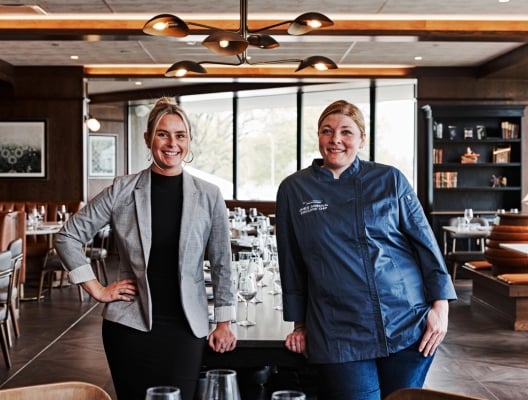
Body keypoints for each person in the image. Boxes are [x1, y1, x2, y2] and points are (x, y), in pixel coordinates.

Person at [54, 97, 237, 400]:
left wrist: (224, 321)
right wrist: (97, 289)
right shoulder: (122, 190)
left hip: (186, 329)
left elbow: (221, 263)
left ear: (188, 141)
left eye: (180, 135)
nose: (171, 143)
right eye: (162, 134)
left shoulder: (209, 195)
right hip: (129, 327)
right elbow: (67, 237)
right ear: (148, 139)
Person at [275, 100, 457, 400]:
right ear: (318, 136)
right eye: (327, 131)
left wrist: (441, 307)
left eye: (346, 131)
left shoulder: (390, 179)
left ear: (362, 139)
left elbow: (425, 243)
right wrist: (300, 323)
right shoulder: (294, 189)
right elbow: (291, 260)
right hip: (337, 330)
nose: (335, 139)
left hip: (406, 322)